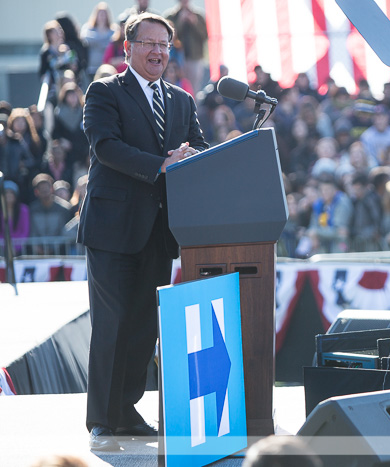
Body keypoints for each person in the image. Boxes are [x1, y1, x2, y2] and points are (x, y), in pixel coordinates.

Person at [78, 12, 208, 451]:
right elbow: (106, 147)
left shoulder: (181, 99)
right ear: (128, 47)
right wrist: (161, 165)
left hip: (158, 231)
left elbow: (200, 147)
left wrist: (192, 156)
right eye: (149, 43)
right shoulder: (104, 91)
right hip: (112, 230)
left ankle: (126, 410)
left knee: (142, 327)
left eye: (164, 45)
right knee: (112, 324)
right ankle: (102, 420)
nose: (157, 51)